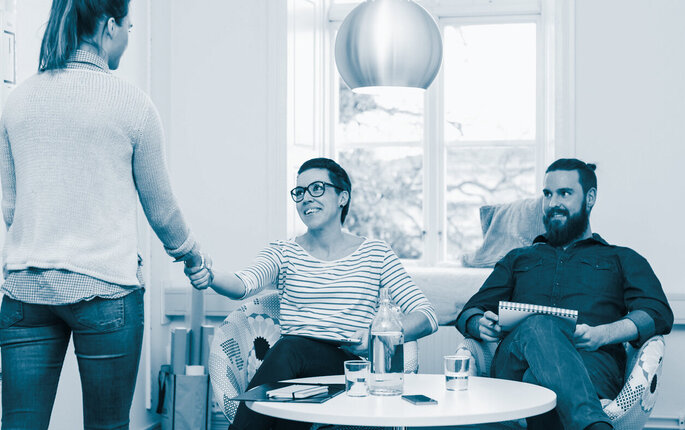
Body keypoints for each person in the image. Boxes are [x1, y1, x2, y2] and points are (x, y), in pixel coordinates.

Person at [0, 1, 205, 429]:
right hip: (107, 293)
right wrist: (193, 257)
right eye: (128, 26)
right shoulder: (132, 104)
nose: (129, 37)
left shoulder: (16, 102)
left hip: (25, 292)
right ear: (109, 27)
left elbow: (10, 206)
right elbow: (161, 210)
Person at [187, 157, 439, 430]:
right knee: (287, 389)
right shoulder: (283, 252)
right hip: (294, 372)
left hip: (351, 370)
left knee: (291, 349)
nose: (306, 198)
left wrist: (377, 338)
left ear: (342, 197)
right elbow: (242, 284)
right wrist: (210, 275)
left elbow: (427, 316)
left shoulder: (376, 254)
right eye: (300, 192)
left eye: (317, 188)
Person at [455, 158, 673, 430]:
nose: (553, 202)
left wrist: (604, 334)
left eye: (565, 193)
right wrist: (480, 324)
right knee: (538, 324)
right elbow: (470, 311)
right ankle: (594, 425)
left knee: (538, 380)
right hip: (513, 365)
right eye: (547, 194)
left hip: (591, 367)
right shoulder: (518, 258)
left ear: (590, 198)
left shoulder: (621, 258)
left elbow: (658, 313)